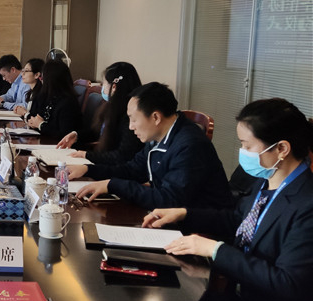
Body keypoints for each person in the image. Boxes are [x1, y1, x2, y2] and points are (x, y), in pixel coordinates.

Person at [142, 98, 313, 301]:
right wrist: (184, 213)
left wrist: (215, 250)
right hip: (235, 295)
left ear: (282, 149)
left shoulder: (306, 204)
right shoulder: (267, 179)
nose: (243, 152)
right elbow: (238, 220)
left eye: (247, 145)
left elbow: (288, 283)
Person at [73, 82, 233, 210]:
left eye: (133, 119)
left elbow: (169, 200)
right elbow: (132, 170)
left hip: (198, 227)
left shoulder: (190, 145)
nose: (130, 127)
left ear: (156, 117)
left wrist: (113, 185)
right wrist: (88, 169)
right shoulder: (158, 135)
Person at [56, 61, 143, 164]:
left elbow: (122, 156)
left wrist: (87, 155)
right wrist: (76, 135)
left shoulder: (129, 115)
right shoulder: (112, 106)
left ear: (114, 87)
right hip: (104, 161)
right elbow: (98, 132)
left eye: (104, 84)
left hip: (115, 167)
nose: (102, 87)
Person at [24, 59, 82, 138]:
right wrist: (34, 122)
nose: (41, 81)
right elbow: (37, 116)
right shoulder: (50, 97)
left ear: (51, 80)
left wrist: (40, 125)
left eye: (43, 78)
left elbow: (64, 134)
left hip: (56, 144)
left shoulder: (68, 102)